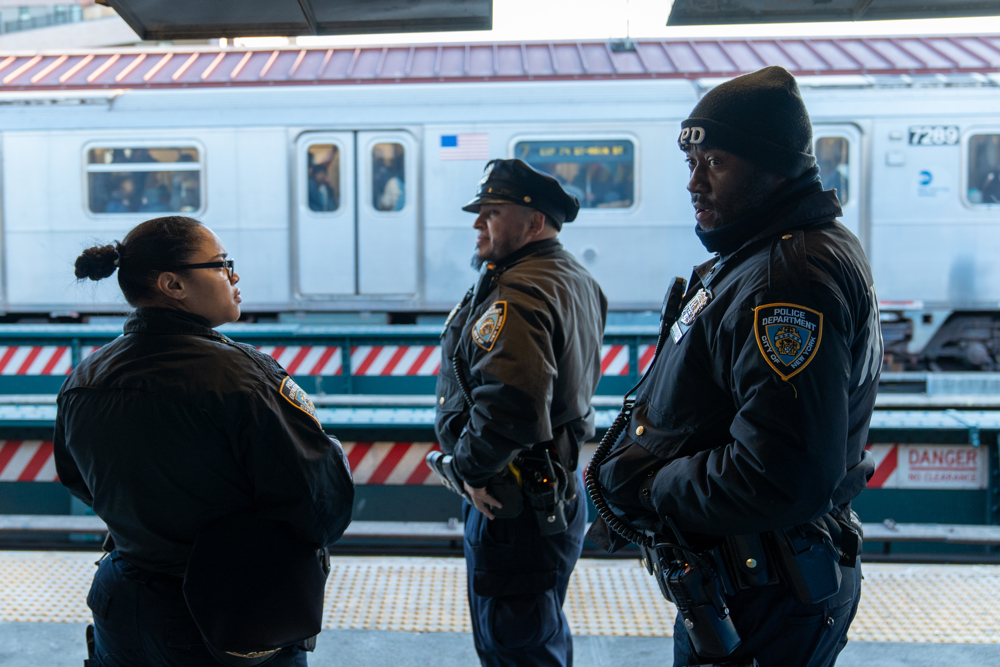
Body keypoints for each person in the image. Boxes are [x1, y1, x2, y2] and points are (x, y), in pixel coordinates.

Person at [592, 66, 881, 666]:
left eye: (715, 163)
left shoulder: (786, 281)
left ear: (771, 165)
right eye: (692, 164)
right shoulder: (762, 255)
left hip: (763, 596)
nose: (694, 183)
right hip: (750, 586)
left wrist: (651, 484)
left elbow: (777, 474)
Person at [55, 216, 355, 666]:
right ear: (173, 284)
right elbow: (321, 505)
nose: (234, 277)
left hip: (122, 607)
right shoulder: (242, 377)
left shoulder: (85, 378)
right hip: (224, 615)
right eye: (221, 264)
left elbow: (78, 479)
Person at [434, 159, 607, 667]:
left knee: (514, 644)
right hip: (552, 486)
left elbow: (509, 405)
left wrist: (468, 470)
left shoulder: (518, 291)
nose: (477, 223)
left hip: (510, 499)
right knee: (538, 630)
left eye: (492, 212)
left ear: (533, 223)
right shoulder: (571, 276)